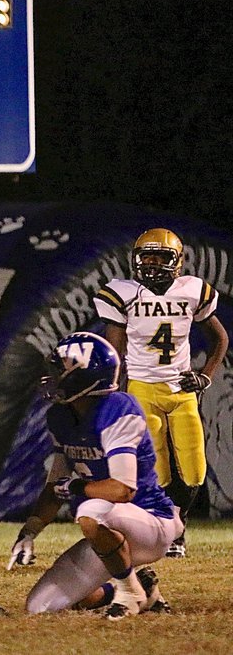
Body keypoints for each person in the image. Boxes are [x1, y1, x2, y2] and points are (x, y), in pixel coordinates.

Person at [15, 332, 182, 620]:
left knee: (91, 509)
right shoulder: (61, 416)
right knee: (39, 607)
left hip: (150, 521)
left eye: (61, 369)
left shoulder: (117, 409)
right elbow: (55, 486)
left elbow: (122, 491)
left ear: (85, 377)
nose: (53, 376)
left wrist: (78, 486)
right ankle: (141, 587)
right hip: (109, 532)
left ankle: (129, 593)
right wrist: (29, 532)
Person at [94, 228, 227, 557]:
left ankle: (179, 524)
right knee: (157, 467)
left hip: (181, 390)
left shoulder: (193, 291)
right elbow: (114, 350)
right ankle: (169, 527)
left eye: (161, 257)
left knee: (194, 466)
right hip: (142, 388)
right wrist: (112, 392)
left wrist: (205, 377)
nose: (152, 265)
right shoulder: (123, 294)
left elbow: (219, 339)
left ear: (177, 261)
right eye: (146, 257)